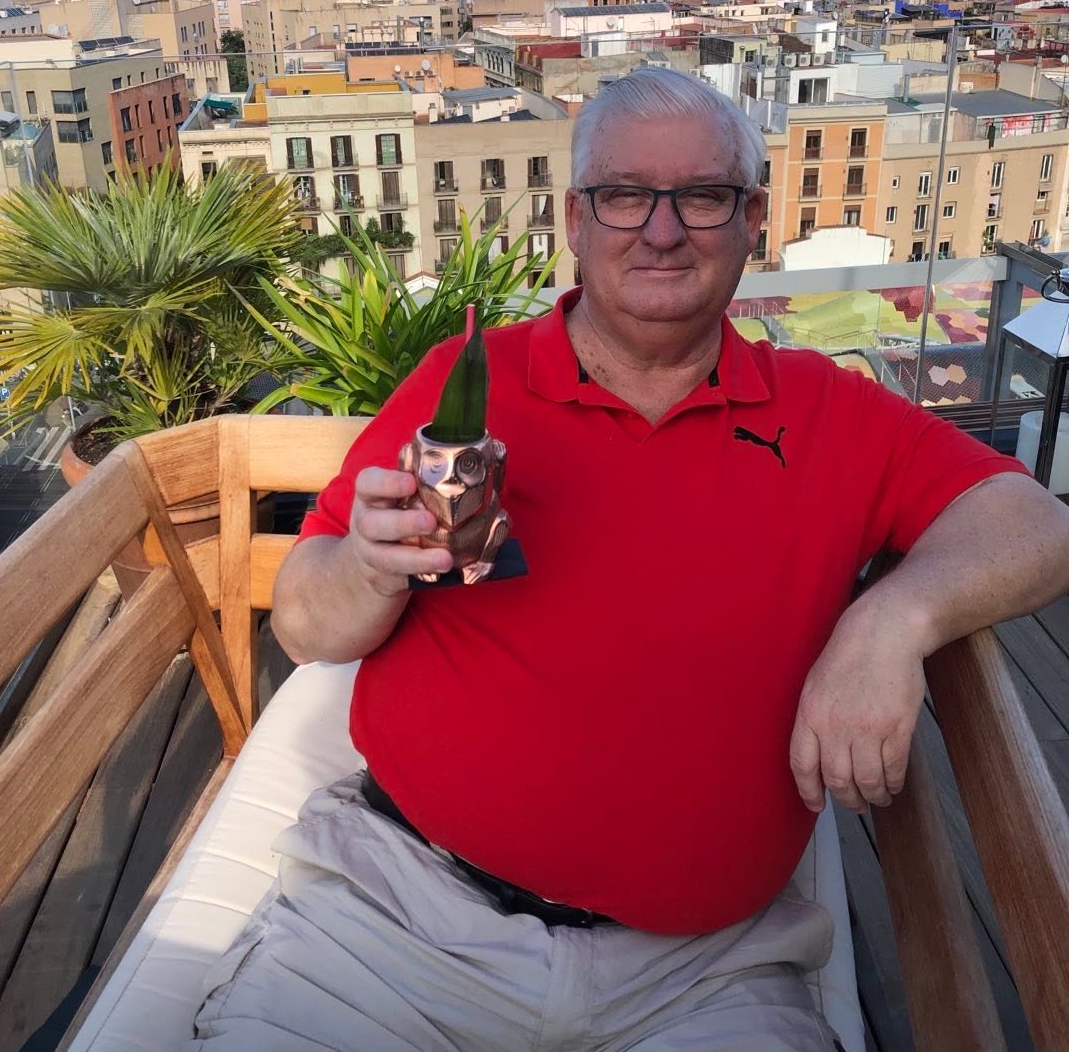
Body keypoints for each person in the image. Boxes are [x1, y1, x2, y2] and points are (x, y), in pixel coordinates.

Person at [190, 67, 1068, 1050]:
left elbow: (1034, 523)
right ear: (576, 219)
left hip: (701, 978)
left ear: (751, 219)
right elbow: (305, 624)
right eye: (624, 196)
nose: (661, 231)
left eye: (702, 196)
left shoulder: (830, 412)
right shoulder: (469, 385)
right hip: (399, 925)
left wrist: (893, 621)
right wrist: (366, 565)